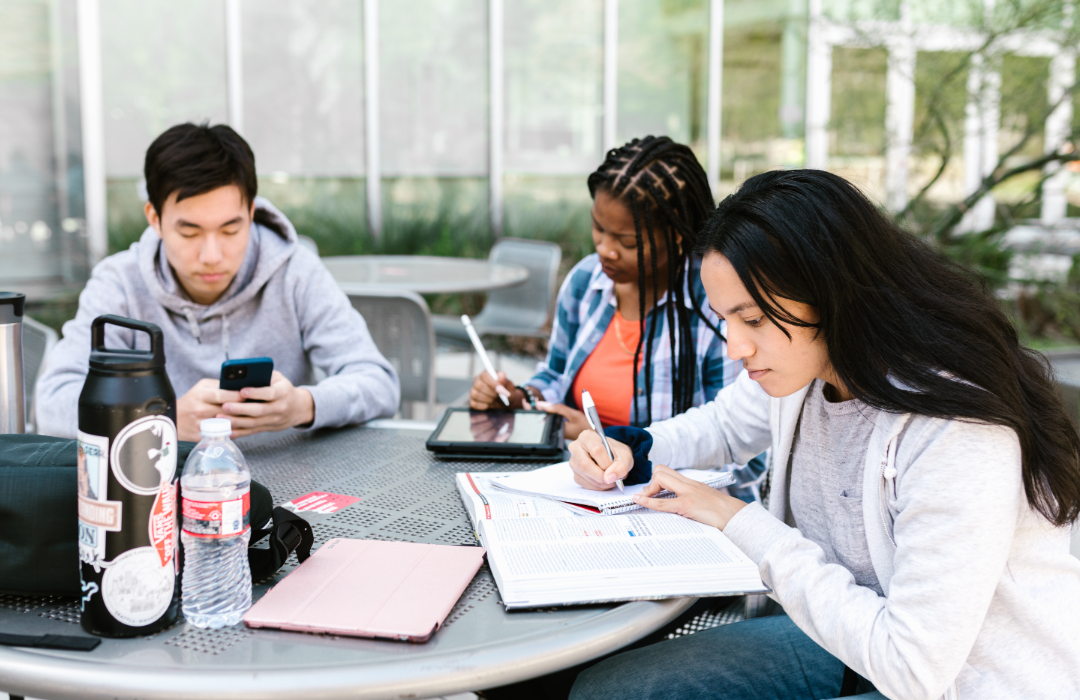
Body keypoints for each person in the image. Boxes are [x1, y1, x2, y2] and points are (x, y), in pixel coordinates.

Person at [566, 169, 1080, 700]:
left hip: (964, 681)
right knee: (608, 690)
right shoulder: (805, 367)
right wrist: (629, 449)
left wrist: (741, 521)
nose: (735, 347)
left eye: (754, 320)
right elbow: (722, 425)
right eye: (725, 319)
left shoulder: (955, 429)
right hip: (845, 642)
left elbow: (912, 669)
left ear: (831, 293)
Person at [37, 123, 399, 441]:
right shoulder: (119, 284)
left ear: (252, 212)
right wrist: (163, 420)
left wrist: (303, 406)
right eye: (190, 232)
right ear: (155, 217)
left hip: (290, 488)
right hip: (161, 491)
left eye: (230, 229)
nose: (212, 254)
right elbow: (53, 402)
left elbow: (379, 382)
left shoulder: (295, 272)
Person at [469, 136, 766, 499]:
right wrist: (522, 399)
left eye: (627, 242)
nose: (605, 250)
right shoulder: (585, 283)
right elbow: (556, 375)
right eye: (598, 228)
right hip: (582, 492)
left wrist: (614, 440)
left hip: (678, 509)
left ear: (675, 235)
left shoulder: (714, 305)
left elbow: (742, 450)